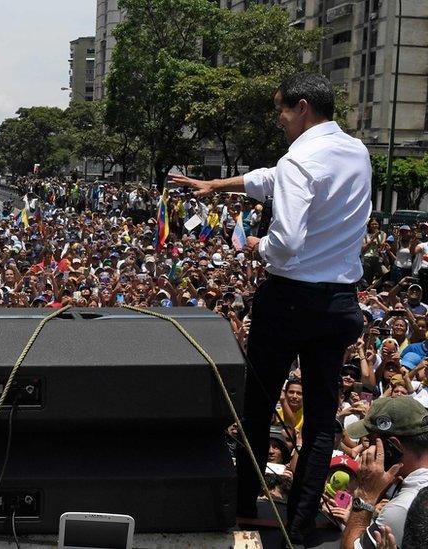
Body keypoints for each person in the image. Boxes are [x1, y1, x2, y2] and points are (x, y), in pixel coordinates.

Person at [172, 72, 370, 540]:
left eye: (281, 110)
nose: (278, 121)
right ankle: (300, 525)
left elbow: (286, 242)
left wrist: (259, 245)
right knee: (323, 420)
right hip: (340, 301)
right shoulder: (355, 151)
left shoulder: (300, 159)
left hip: (290, 301)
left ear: (302, 107)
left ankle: (243, 509)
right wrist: (218, 185)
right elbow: (270, 179)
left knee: (257, 407)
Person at [342, 396, 428, 548]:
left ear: (392, 448)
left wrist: (364, 496)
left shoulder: (402, 508)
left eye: (370, 441)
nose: (366, 449)